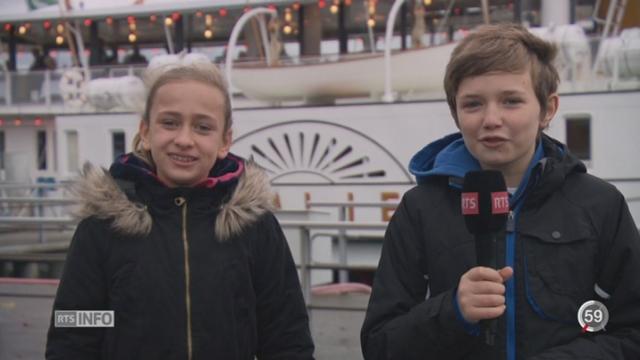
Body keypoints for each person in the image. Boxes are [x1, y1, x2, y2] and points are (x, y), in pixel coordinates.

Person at [361, 24, 640, 360]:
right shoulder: (421, 209)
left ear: (547, 109)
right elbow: (379, 344)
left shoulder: (599, 205)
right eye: (473, 104)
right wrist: (452, 310)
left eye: (511, 101)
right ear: (455, 113)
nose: (491, 119)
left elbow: (630, 331)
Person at [46, 53, 315, 359]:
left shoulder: (254, 226)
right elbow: (75, 330)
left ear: (224, 141)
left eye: (203, 128)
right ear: (146, 132)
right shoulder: (103, 227)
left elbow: (285, 334)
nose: (184, 139)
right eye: (170, 123)